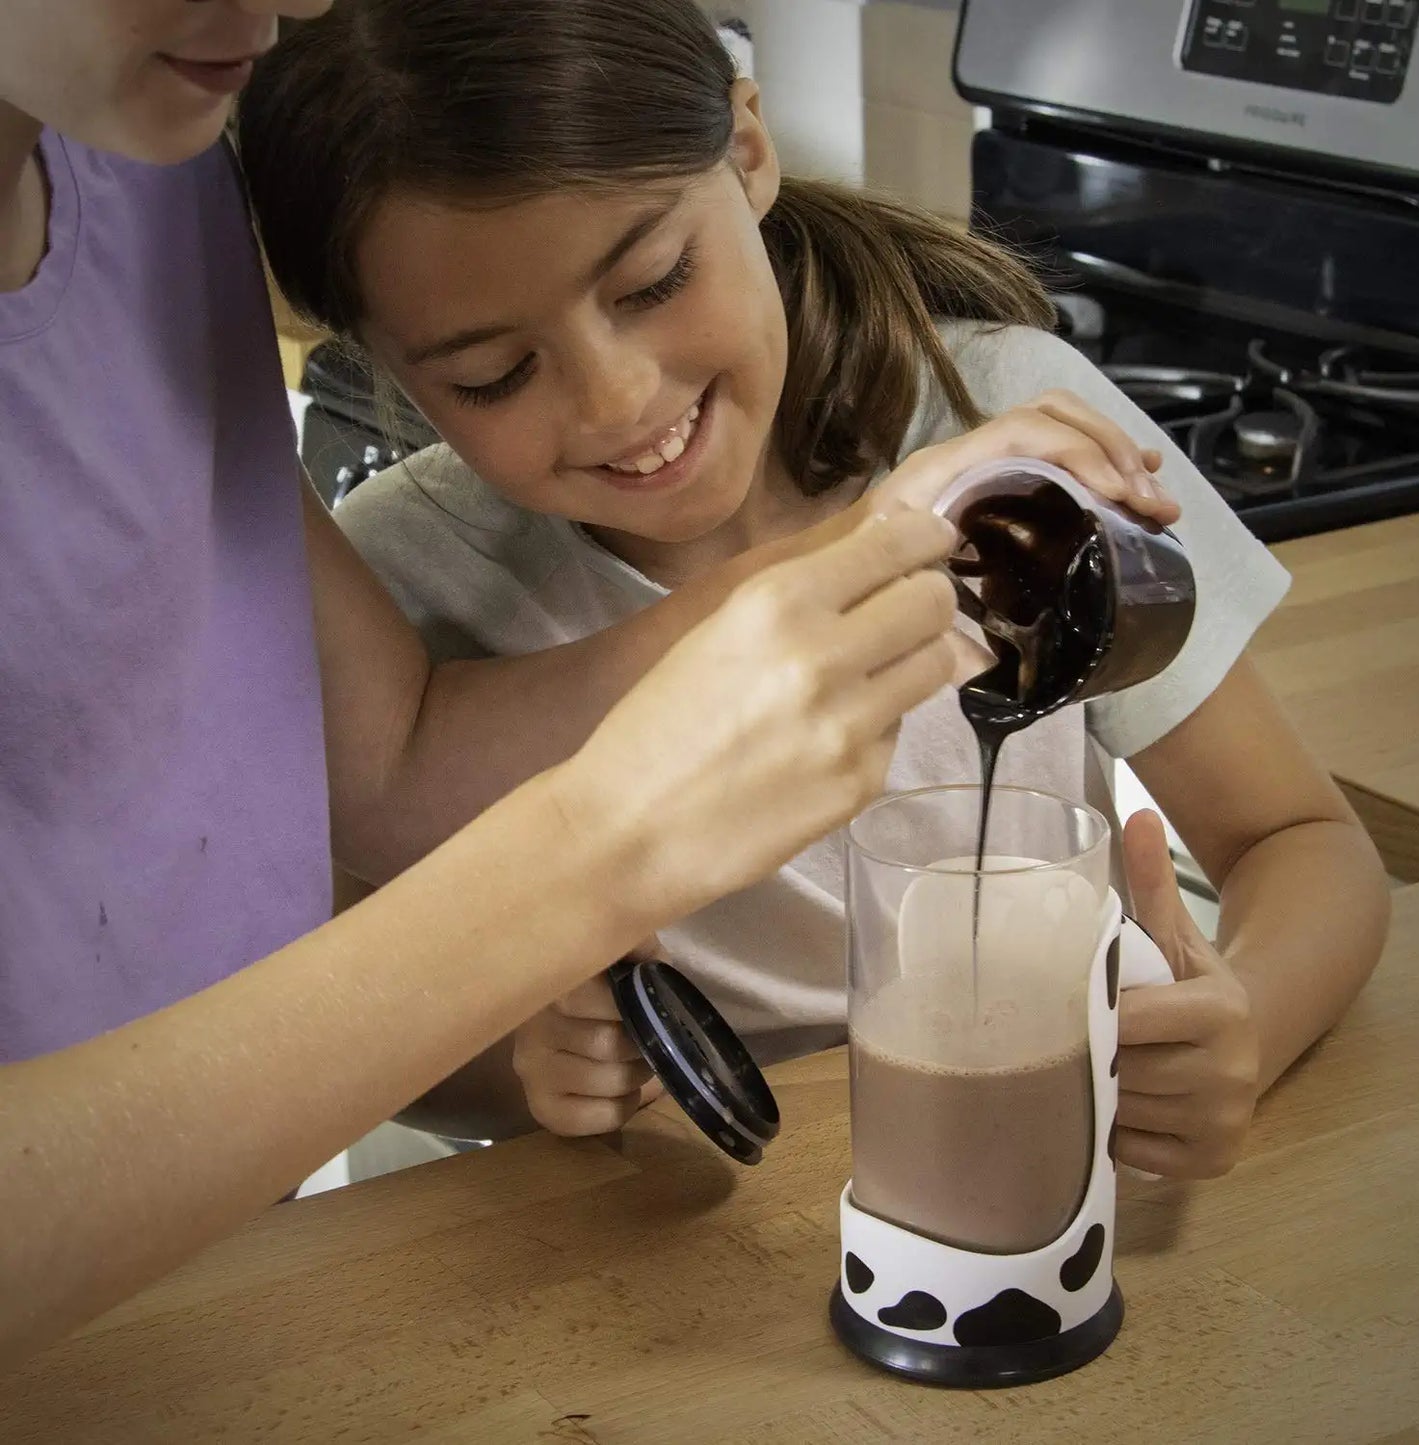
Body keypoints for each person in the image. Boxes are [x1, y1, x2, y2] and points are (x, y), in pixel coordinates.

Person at [0, 0, 1024, 1370]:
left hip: (199, 1289)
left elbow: (384, 769)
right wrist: (591, 861)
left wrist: (867, 551)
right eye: (489, 371)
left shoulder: (148, 154)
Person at [238, 0, 1390, 1184]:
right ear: (386, 367)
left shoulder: (1004, 424)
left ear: (745, 151)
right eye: (496, 373)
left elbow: (1298, 841)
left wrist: (1243, 1016)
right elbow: (353, 1032)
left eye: (651, 281)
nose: (617, 401)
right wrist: (521, 1060)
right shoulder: (401, 595)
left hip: (1030, 1180)